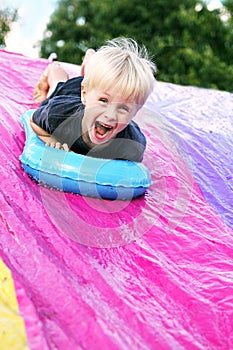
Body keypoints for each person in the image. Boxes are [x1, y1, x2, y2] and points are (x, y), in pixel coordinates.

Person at [30, 37, 156, 162]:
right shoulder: (59, 114)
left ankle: (90, 62)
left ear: (135, 113)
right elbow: (33, 121)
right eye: (104, 101)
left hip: (97, 91)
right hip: (70, 94)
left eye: (123, 108)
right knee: (59, 82)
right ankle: (54, 66)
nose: (110, 115)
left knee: (96, 82)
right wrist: (51, 139)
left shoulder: (132, 144)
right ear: (84, 95)